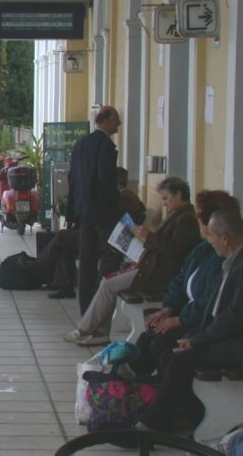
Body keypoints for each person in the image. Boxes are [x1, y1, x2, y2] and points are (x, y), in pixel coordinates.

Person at [136, 208, 243, 434]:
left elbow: (234, 318)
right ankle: (184, 413)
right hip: (221, 336)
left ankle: (154, 425)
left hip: (235, 345)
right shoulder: (231, 261)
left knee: (179, 360)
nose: (209, 241)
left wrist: (197, 340)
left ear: (224, 238)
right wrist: (195, 336)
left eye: (212, 235)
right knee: (168, 353)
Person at [63, 177, 201, 346]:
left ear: (178, 194)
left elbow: (172, 249)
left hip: (159, 273)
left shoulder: (186, 220)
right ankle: (98, 332)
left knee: (108, 285)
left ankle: (87, 330)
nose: (165, 203)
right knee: (108, 281)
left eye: (166, 198)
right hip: (152, 267)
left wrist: (147, 236)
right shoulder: (178, 216)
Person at [132, 191, 240, 377]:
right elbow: (181, 279)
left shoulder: (223, 259)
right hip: (187, 314)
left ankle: (155, 393)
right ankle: (136, 386)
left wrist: (180, 320)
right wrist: (169, 308)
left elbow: (212, 305)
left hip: (197, 321)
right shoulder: (204, 248)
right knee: (147, 337)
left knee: (163, 348)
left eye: (200, 216)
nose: (197, 219)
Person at [40, 167, 146, 299]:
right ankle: (64, 285)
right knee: (65, 245)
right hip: (106, 237)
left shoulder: (123, 197)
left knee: (63, 236)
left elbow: (107, 219)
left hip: (106, 240)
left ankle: (41, 265)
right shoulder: (127, 195)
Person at [66, 105, 122, 314]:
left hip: (83, 210)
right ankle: (101, 300)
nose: (119, 123)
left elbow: (72, 179)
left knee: (87, 258)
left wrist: (72, 211)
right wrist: (115, 204)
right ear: (105, 121)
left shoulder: (81, 143)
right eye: (116, 119)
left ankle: (86, 307)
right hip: (102, 212)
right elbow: (106, 180)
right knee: (112, 254)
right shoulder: (105, 146)